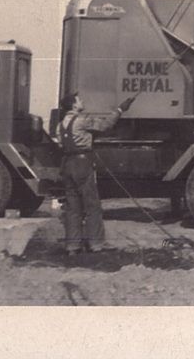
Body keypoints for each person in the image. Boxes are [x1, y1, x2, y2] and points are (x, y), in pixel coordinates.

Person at [57, 91, 136, 255]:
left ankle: (73, 246)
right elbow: (105, 125)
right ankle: (96, 244)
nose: (82, 101)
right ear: (73, 105)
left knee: (73, 207)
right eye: (79, 100)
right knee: (92, 204)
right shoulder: (81, 121)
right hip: (82, 164)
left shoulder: (60, 125)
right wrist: (120, 109)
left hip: (67, 164)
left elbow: (61, 144)